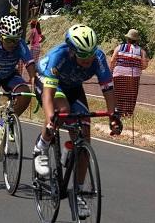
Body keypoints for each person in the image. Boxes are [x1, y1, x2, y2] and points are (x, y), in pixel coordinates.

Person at [33, 24, 122, 219]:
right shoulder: (59, 56)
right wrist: (50, 121)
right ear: (72, 51)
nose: (88, 59)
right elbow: (48, 97)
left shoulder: (98, 58)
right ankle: (42, 146)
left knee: (84, 135)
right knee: (62, 110)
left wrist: (113, 117)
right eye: (83, 55)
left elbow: (108, 90)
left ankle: (78, 192)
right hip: (47, 83)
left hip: (72, 87)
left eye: (90, 54)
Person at [0, 15, 36, 176]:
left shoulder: (20, 45)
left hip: (9, 74)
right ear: (1, 36)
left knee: (26, 93)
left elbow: (30, 66)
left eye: (16, 40)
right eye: (9, 40)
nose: (12, 44)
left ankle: (10, 119)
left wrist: (36, 84)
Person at [109, 29, 149, 116]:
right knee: (131, 95)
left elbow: (112, 61)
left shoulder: (119, 47)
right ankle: (128, 113)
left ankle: (117, 113)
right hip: (133, 76)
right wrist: (139, 68)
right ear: (136, 40)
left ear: (127, 39)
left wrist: (111, 71)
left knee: (118, 94)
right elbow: (145, 65)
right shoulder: (141, 51)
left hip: (118, 74)